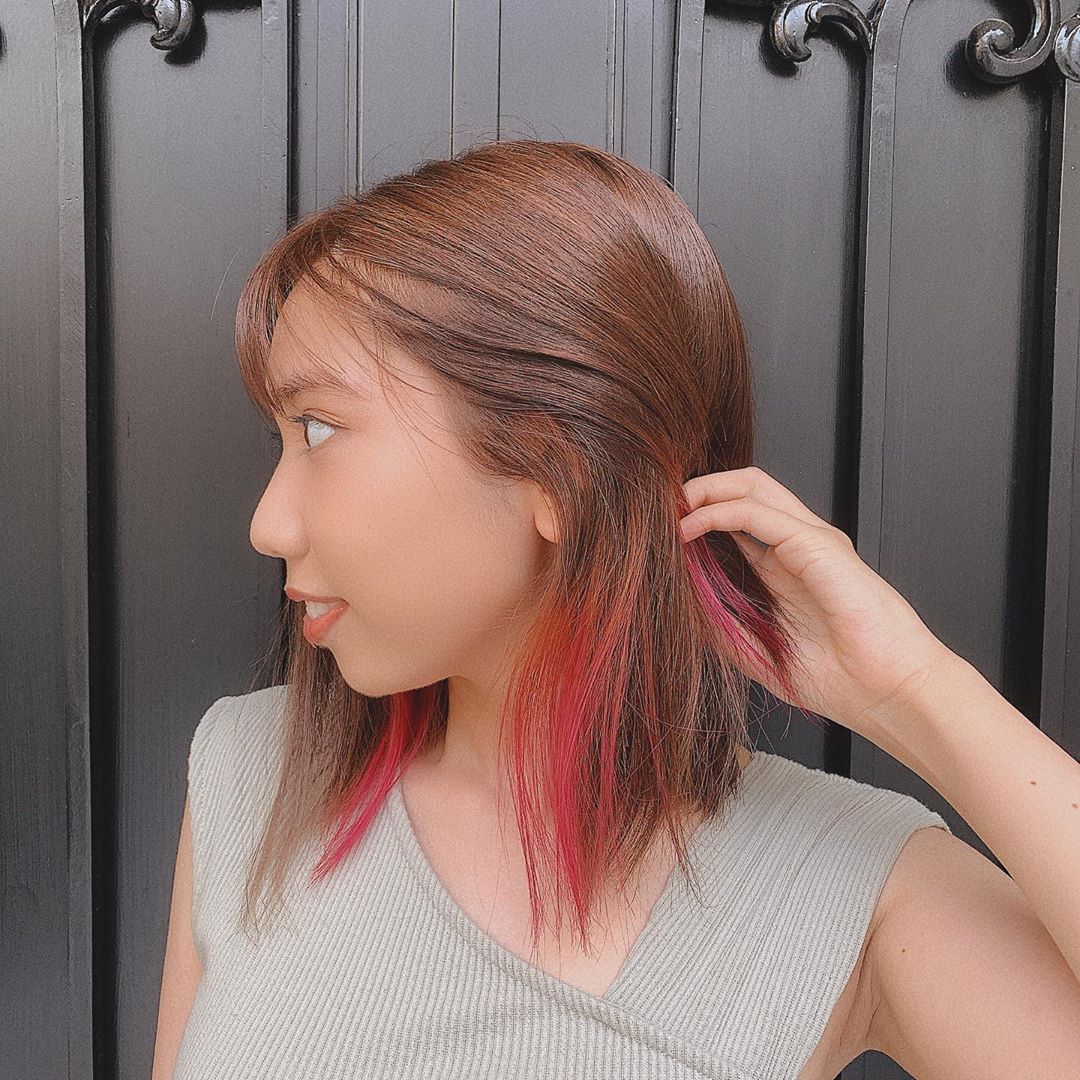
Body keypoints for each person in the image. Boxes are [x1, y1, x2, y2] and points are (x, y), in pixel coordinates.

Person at [153, 139, 1080, 1079]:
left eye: (318, 429)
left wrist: (912, 690)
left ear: (556, 470)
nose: (268, 524)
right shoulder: (250, 772)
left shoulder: (851, 887)